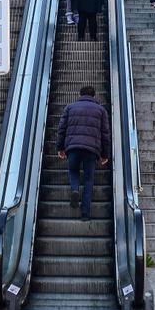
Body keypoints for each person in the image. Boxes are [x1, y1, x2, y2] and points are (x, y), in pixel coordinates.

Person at [57, 85, 111, 221]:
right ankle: (85, 214)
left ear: (80, 95)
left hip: (73, 147)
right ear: (94, 96)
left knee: (73, 171)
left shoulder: (69, 107)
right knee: (88, 180)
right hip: (92, 150)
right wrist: (105, 154)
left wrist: (60, 148)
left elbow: (61, 129)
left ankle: (75, 189)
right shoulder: (101, 110)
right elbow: (105, 134)